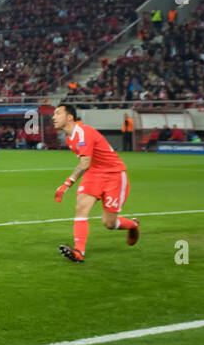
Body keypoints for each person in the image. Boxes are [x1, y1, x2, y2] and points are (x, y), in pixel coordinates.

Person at [51, 103, 139, 263]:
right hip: (94, 174)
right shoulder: (70, 139)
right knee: (81, 208)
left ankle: (133, 225)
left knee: (109, 223)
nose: (53, 117)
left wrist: (66, 184)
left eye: (58, 113)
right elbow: (88, 164)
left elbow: (84, 163)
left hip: (114, 175)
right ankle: (79, 252)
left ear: (70, 117)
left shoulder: (83, 133)